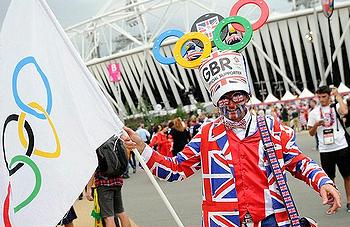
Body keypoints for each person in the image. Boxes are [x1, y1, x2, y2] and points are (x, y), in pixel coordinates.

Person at [122, 51, 340, 226]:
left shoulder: (270, 127)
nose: (233, 103)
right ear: (216, 102)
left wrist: (323, 181)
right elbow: (176, 170)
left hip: (271, 219)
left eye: (237, 95)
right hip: (223, 221)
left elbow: (298, 162)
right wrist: (143, 147)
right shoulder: (207, 134)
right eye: (224, 98)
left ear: (246, 95)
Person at [307, 85, 350, 212]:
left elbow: (345, 111)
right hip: (325, 149)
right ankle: (335, 202)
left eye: (324, 96)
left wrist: (338, 96)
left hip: (341, 146)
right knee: (329, 179)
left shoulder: (336, 106)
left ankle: (349, 201)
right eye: (319, 97)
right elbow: (310, 133)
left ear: (329, 96)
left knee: (347, 176)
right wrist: (316, 125)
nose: (321, 99)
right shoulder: (314, 112)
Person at [86, 140, 131, 227]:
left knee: (108, 217)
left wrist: (88, 189)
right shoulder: (114, 139)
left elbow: (93, 169)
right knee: (120, 212)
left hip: (104, 183)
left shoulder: (96, 143)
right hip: (117, 181)